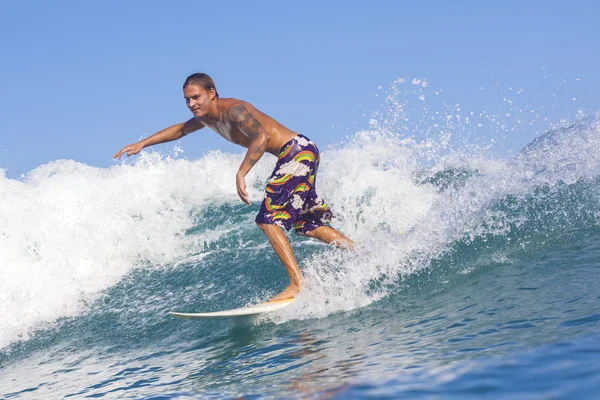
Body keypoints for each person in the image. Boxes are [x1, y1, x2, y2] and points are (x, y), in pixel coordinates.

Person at [114, 73, 353, 301]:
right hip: (303, 151)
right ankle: (358, 252)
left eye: (196, 97)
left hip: (296, 152)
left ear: (212, 93)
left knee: (267, 220)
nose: (190, 103)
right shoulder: (206, 119)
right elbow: (179, 130)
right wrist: (142, 143)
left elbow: (261, 137)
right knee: (305, 223)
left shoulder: (234, 109)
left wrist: (241, 172)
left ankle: (298, 284)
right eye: (187, 99)